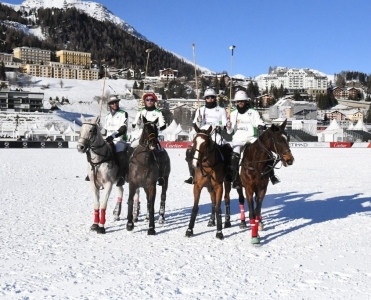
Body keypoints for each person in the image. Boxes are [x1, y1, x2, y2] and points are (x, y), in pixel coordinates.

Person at [226, 90, 279, 188]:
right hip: (238, 139)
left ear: (246, 101)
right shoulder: (233, 113)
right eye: (238, 101)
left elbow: (259, 121)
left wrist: (260, 125)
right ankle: (235, 179)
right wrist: (228, 126)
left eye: (242, 101)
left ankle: (272, 176)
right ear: (236, 102)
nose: (240, 103)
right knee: (234, 156)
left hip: (252, 138)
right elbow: (229, 132)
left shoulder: (253, 111)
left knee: (267, 153)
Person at [184, 88, 230, 184]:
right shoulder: (200, 110)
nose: (210, 99)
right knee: (189, 152)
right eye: (208, 97)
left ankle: (227, 173)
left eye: (212, 97)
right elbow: (195, 125)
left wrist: (221, 126)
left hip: (215, 134)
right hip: (203, 135)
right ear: (205, 99)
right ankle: (192, 175)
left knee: (227, 149)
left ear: (215, 98)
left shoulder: (221, 110)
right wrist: (199, 121)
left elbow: (225, 124)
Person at [93, 95, 129, 186]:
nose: (114, 104)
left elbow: (123, 128)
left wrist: (113, 136)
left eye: (116, 102)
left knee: (120, 155)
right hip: (108, 140)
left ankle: (121, 176)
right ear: (109, 105)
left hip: (119, 140)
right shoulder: (107, 116)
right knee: (96, 151)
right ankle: (94, 173)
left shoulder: (123, 113)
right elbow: (104, 131)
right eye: (112, 103)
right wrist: (98, 127)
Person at [132, 92, 167, 185]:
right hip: (140, 137)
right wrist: (138, 123)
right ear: (145, 101)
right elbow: (133, 124)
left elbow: (163, 125)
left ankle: (160, 176)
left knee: (161, 152)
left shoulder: (158, 112)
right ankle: (126, 172)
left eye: (152, 100)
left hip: (153, 138)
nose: (149, 101)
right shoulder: (140, 111)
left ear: (154, 101)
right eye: (147, 100)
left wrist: (157, 128)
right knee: (129, 149)